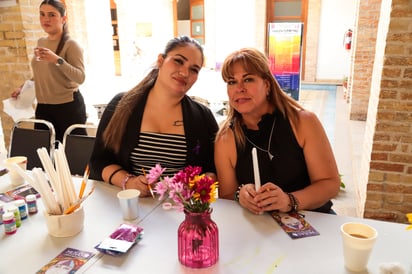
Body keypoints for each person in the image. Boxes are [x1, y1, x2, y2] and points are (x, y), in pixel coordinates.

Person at [214, 48, 340, 214]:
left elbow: (330, 184)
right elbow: (227, 194)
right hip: (258, 227)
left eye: (248, 79)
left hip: (312, 220)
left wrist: (290, 201)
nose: (239, 88)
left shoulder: (303, 122)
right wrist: (241, 195)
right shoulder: (226, 138)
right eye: (232, 82)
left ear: (267, 85)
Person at [90, 36, 218, 196]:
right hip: (132, 208)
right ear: (160, 60)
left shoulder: (203, 117)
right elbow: (98, 162)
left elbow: (214, 169)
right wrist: (128, 182)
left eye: (194, 69)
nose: (185, 72)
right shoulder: (121, 105)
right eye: (178, 61)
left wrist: (197, 185)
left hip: (181, 213)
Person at [11, 0, 86, 142]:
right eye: (42, 14)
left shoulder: (71, 45)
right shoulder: (41, 42)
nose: (46, 19)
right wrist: (22, 88)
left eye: (52, 15)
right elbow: (42, 73)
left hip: (68, 107)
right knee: (44, 153)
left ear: (63, 19)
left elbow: (80, 77)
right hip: (43, 108)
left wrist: (57, 60)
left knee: (71, 156)